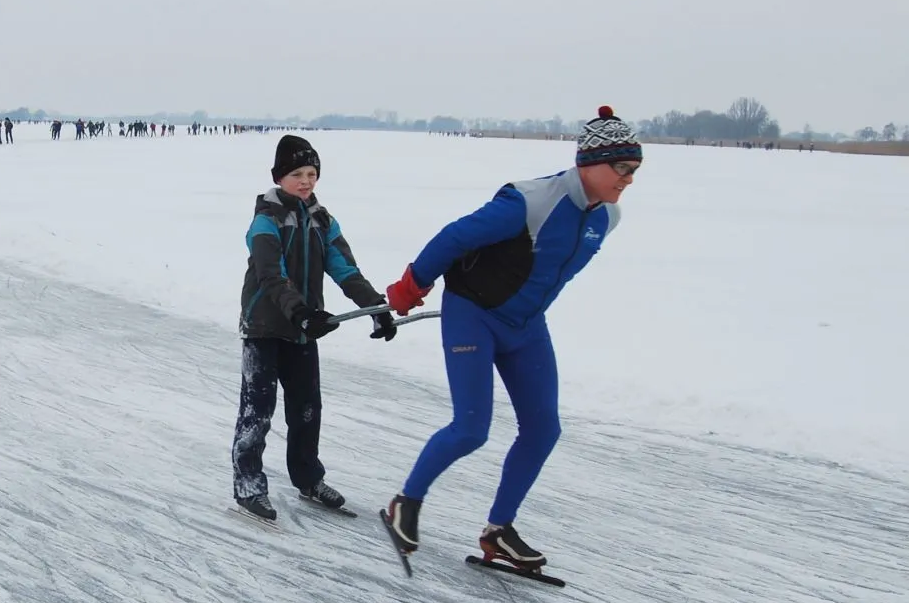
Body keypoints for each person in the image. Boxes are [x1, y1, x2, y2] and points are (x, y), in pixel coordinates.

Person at [383, 107, 639, 569]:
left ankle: (498, 531)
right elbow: (455, 237)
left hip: (526, 326)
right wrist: (412, 284)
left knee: (544, 429)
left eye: (634, 170)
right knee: (471, 428)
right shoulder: (531, 200)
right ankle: (406, 502)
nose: (629, 179)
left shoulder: (608, 218)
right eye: (622, 168)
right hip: (472, 316)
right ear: (590, 162)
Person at [232, 135, 394, 521]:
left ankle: (307, 479)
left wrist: (375, 306)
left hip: (303, 329)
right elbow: (273, 278)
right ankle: (248, 484)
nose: (306, 181)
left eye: (311, 173)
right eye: (296, 174)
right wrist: (302, 311)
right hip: (265, 328)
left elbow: (345, 270)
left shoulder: (322, 220)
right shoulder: (265, 221)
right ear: (279, 176)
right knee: (259, 411)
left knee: (307, 409)